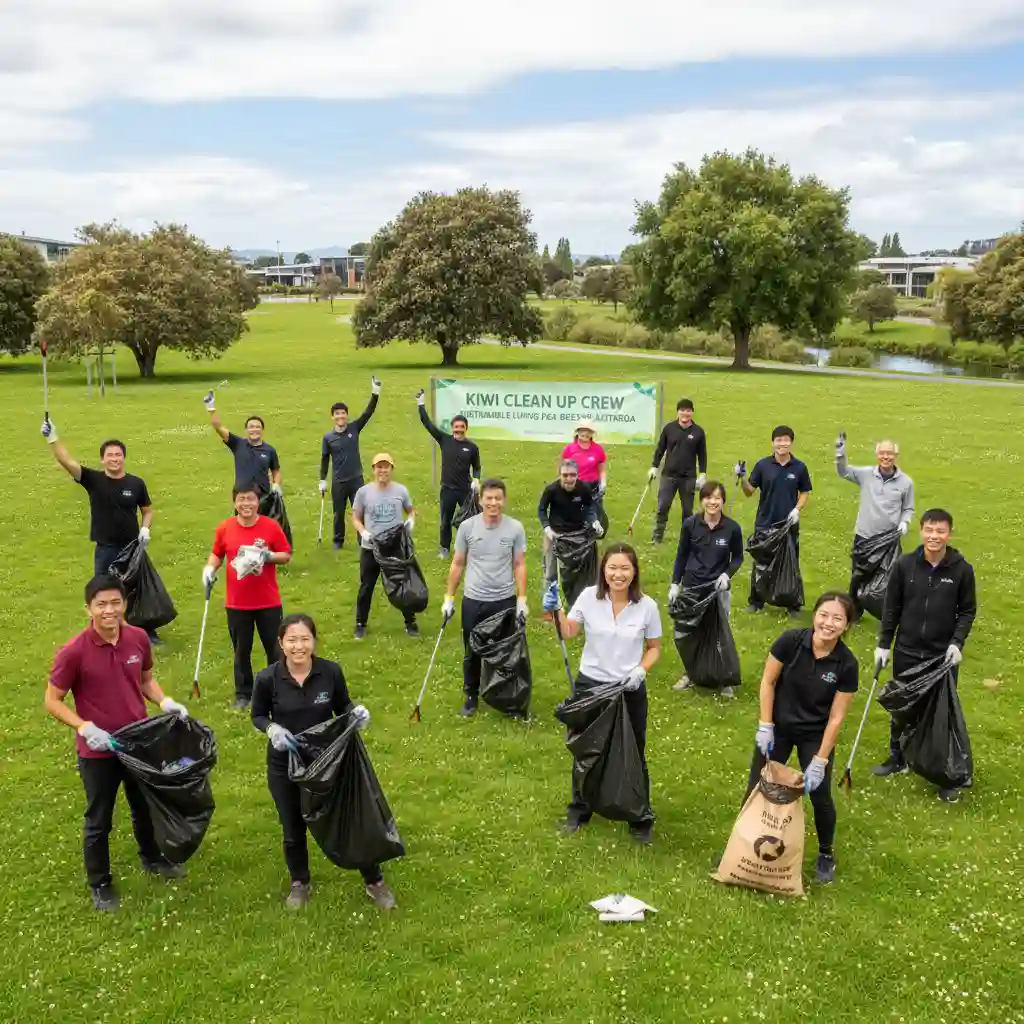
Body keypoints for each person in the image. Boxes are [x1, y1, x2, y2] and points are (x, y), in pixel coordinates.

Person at [43, 575, 190, 912]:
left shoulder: (138, 638)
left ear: (124, 605)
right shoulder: (74, 652)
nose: (109, 610)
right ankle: (100, 883)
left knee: (144, 807)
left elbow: (145, 681)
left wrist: (165, 702)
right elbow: (52, 700)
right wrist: (83, 727)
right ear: (88, 608)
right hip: (98, 750)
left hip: (138, 743)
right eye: (101, 604)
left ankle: (152, 858)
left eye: (115, 603)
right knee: (99, 819)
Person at [250, 613, 396, 911]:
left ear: (314, 641)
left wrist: (356, 713)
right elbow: (258, 715)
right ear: (281, 643)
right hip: (285, 763)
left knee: (351, 816)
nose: (299, 646)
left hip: (329, 761)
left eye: (305, 639)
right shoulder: (267, 679)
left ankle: (374, 879)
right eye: (292, 640)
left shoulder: (330, 672)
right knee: (292, 826)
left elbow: (343, 705)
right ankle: (300, 882)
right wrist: (272, 729)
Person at [543, 543, 661, 843]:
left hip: (628, 689)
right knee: (585, 750)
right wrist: (555, 610)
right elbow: (569, 632)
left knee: (634, 751)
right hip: (591, 686)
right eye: (612, 568)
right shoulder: (588, 597)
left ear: (634, 572)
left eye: (625, 568)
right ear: (603, 570)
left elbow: (654, 648)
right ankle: (579, 810)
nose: (618, 574)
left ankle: (639, 815)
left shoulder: (647, 606)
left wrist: (641, 670)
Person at [746, 591, 859, 885]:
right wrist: (765, 724)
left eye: (838, 618)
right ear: (815, 615)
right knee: (758, 785)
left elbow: (836, 717)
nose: (828, 623)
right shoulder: (791, 641)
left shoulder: (846, 664)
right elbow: (768, 681)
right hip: (778, 728)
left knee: (820, 795)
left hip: (814, 734)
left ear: (846, 626)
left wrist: (820, 760)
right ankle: (743, 845)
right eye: (824, 614)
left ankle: (825, 853)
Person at [873, 508, 977, 801]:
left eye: (940, 531)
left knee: (939, 715)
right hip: (906, 650)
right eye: (929, 530)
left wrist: (957, 643)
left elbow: (968, 610)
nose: (934, 536)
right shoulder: (905, 565)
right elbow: (891, 607)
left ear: (950, 534)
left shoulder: (961, 569)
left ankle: (943, 772)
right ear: (921, 531)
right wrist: (884, 644)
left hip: (941, 658)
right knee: (902, 707)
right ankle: (898, 758)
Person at [41, 421, 165, 645]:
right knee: (104, 591)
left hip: (132, 548)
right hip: (106, 548)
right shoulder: (93, 480)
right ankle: (105, 632)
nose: (114, 459)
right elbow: (66, 461)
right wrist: (53, 438)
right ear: (102, 459)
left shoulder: (136, 483)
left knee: (137, 590)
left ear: (123, 458)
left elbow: (148, 510)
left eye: (118, 455)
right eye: (110, 455)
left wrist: (146, 528)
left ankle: (146, 631)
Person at [441, 478, 528, 718]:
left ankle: (507, 698)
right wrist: (449, 597)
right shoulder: (467, 528)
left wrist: (522, 600)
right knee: (472, 651)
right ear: (480, 500)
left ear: (504, 500)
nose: (493, 503)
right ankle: (471, 694)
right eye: (488, 498)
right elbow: (458, 563)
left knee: (507, 652)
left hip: (504, 600)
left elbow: (519, 564)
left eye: (498, 498)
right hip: (474, 600)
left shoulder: (515, 528)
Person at [204, 482, 293, 709]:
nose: (246, 504)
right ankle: (243, 693)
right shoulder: (225, 528)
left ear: (258, 502)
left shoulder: (270, 526)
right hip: (237, 604)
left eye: (251, 499)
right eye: (242, 499)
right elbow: (217, 554)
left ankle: (277, 690)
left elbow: (286, 555)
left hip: (268, 602)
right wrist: (209, 569)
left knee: (274, 648)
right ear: (235, 502)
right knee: (241, 651)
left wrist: (268, 556)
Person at [667, 480, 744, 694]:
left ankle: (724, 678)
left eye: (717, 498)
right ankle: (690, 674)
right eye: (709, 497)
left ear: (723, 501)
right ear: (702, 500)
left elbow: (738, 558)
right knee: (691, 634)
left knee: (720, 634)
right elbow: (681, 555)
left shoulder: (732, 528)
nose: (713, 502)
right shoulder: (690, 525)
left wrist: (727, 575)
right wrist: (675, 584)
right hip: (692, 587)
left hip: (717, 590)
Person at [835, 433, 915, 619]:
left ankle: (886, 612)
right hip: (864, 536)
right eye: (882, 453)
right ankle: (855, 611)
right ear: (877, 454)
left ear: (896, 455)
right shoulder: (866, 475)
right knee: (858, 576)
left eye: (890, 453)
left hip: (888, 541)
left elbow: (908, 508)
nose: (886, 457)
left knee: (886, 578)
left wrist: (905, 522)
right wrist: (840, 453)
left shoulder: (905, 482)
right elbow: (843, 471)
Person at [737, 425, 812, 616]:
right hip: (765, 522)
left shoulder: (799, 467)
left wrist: (797, 509)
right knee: (761, 564)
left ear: (791, 443)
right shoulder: (762, 465)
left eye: (786, 440)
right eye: (779, 440)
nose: (782, 444)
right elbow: (749, 492)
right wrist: (742, 478)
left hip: (788, 525)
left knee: (791, 564)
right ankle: (756, 602)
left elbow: (805, 492)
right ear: (773, 443)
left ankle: (792, 605)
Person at [351, 453, 420, 639]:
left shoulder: (401, 491)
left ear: (391, 469)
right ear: (373, 470)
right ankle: (360, 624)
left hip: (395, 547)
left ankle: (410, 622)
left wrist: (411, 520)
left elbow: (411, 510)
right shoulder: (363, 492)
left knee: (402, 584)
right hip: (371, 547)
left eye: (386, 466)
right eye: (379, 467)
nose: (382, 470)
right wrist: (363, 532)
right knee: (367, 586)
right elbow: (355, 518)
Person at [415, 388, 481, 558]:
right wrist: (421, 403)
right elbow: (427, 424)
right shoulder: (444, 440)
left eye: (462, 427)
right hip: (447, 489)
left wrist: (476, 479)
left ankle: (471, 548)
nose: (459, 429)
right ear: (452, 428)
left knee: (469, 521)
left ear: (466, 428)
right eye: (456, 426)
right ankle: (444, 548)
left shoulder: (472, 447)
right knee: (445, 521)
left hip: (465, 490)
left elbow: (477, 466)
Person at [319, 377, 381, 550]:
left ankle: (363, 539)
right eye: (337, 413)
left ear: (347, 415)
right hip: (339, 481)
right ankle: (338, 542)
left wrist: (375, 392)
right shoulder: (328, 437)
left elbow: (368, 413)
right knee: (338, 513)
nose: (341, 416)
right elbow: (324, 459)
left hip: (356, 479)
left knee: (360, 511)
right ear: (333, 417)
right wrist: (322, 480)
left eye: (343, 413)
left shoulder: (354, 428)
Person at [649, 398, 708, 543]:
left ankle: (686, 539)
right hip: (668, 476)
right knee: (663, 507)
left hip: (688, 478)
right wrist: (654, 467)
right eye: (682, 410)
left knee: (687, 511)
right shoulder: (669, 428)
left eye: (688, 410)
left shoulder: (698, 432)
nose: (685, 413)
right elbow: (660, 449)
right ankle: (657, 537)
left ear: (692, 412)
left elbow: (702, 454)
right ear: (678, 412)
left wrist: (702, 474)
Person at [537, 459, 603, 587]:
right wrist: (547, 528)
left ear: (578, 475)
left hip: (578, 534)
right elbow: (542, 509)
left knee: (583, 571)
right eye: (565, 475)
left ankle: (582, 599)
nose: (569, 479)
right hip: (555, 534)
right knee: (550, 573)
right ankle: (551, 602)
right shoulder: (551, 490)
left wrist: (594, 521)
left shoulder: (583, 488)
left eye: (573, 475)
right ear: (559, 475)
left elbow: (589, 507)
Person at [203, 389, 281, 498]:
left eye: (258, 427)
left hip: (263, 497)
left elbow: (276, 470)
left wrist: (276, 485)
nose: (255, 430)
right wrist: (210, 407)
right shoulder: (238, 444)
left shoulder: (269, 450)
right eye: (251, 427)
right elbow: (218, 427)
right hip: (241, 497)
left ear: (262, 430)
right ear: (246, 430)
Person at [561, 419, 608, 530]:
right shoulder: (569, 449)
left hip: (593, 487)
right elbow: (563, 469)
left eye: (588, 431)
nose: (585, 434)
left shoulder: (598, 449)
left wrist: (603, 482)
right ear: (578, 432)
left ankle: (592, 538)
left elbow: (602, 469)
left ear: (592, 434)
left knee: (595, 516)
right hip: (575, 486)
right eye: (583, 430)